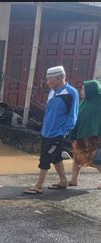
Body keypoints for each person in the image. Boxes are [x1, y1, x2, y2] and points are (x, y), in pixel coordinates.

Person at [25, 66, 79, 194]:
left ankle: (38, 186)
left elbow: (73, 115)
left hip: (57, 134)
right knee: (56, 157)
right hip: (47, 131)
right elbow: (49, 112)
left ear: (59, 78)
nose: (47, 82)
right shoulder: (52, 92)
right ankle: (63, 181)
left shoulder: (70, 93)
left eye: (50, 80)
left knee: (45, 158)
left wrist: (63, 131)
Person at [67, 80, 101, 189]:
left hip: (93, 138)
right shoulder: (83, 103)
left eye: (83, 89)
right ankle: (74, 180)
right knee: (77, 156)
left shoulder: (98, 104)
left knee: (96, 160)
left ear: (90, 91)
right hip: (81, 136)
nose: (81, 91)